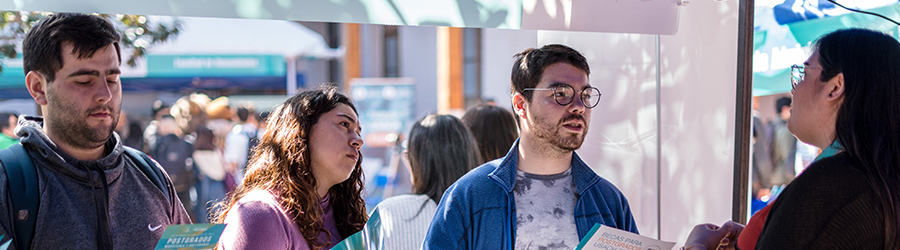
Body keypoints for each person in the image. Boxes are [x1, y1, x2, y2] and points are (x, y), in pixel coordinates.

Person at [686, 28, 900, 249]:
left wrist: (697, 245)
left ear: (835, 87)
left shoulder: (827, 188)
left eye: (804, 74)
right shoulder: (879, 180)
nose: (793, 89)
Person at [0, 13, 190, 249]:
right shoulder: (8, 183)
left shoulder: (150, 174)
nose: (105, 95)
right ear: (38, 88)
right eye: (84, 81)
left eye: (112, 79)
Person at [424, 44, 638, 250]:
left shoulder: (609, 201)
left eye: (585, 96)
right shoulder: (469, 196)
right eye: (561, 94)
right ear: (520, 105)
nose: (579, 107)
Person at [215, 86, 367, 250]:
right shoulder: (261, 213)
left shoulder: (348, 215)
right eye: (344, 124)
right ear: (302, 130)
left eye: (359, 132)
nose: (358, 141)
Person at [375, 114, 481, 250]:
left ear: (418, 160)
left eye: (408, 153)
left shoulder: (387, 212)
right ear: (470, 154)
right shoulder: (490, 213)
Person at [193, 126, 227, 223]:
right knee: (220, 212)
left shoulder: (196, 153)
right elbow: (221, 171)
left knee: (203, 213)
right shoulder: (216, 151)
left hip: (204, 185)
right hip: (218, 184)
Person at [224, 106, 258, 184]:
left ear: (236, 117)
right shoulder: (256, 132)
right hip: (255, 172)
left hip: (240, 176)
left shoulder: (235, 134)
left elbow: (233, 160)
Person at [768, 96, 796, 188]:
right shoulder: (785, 130)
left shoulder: (772, 125)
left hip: (773, 176)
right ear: (785, 109)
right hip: (782, 179)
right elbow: (788, 157)